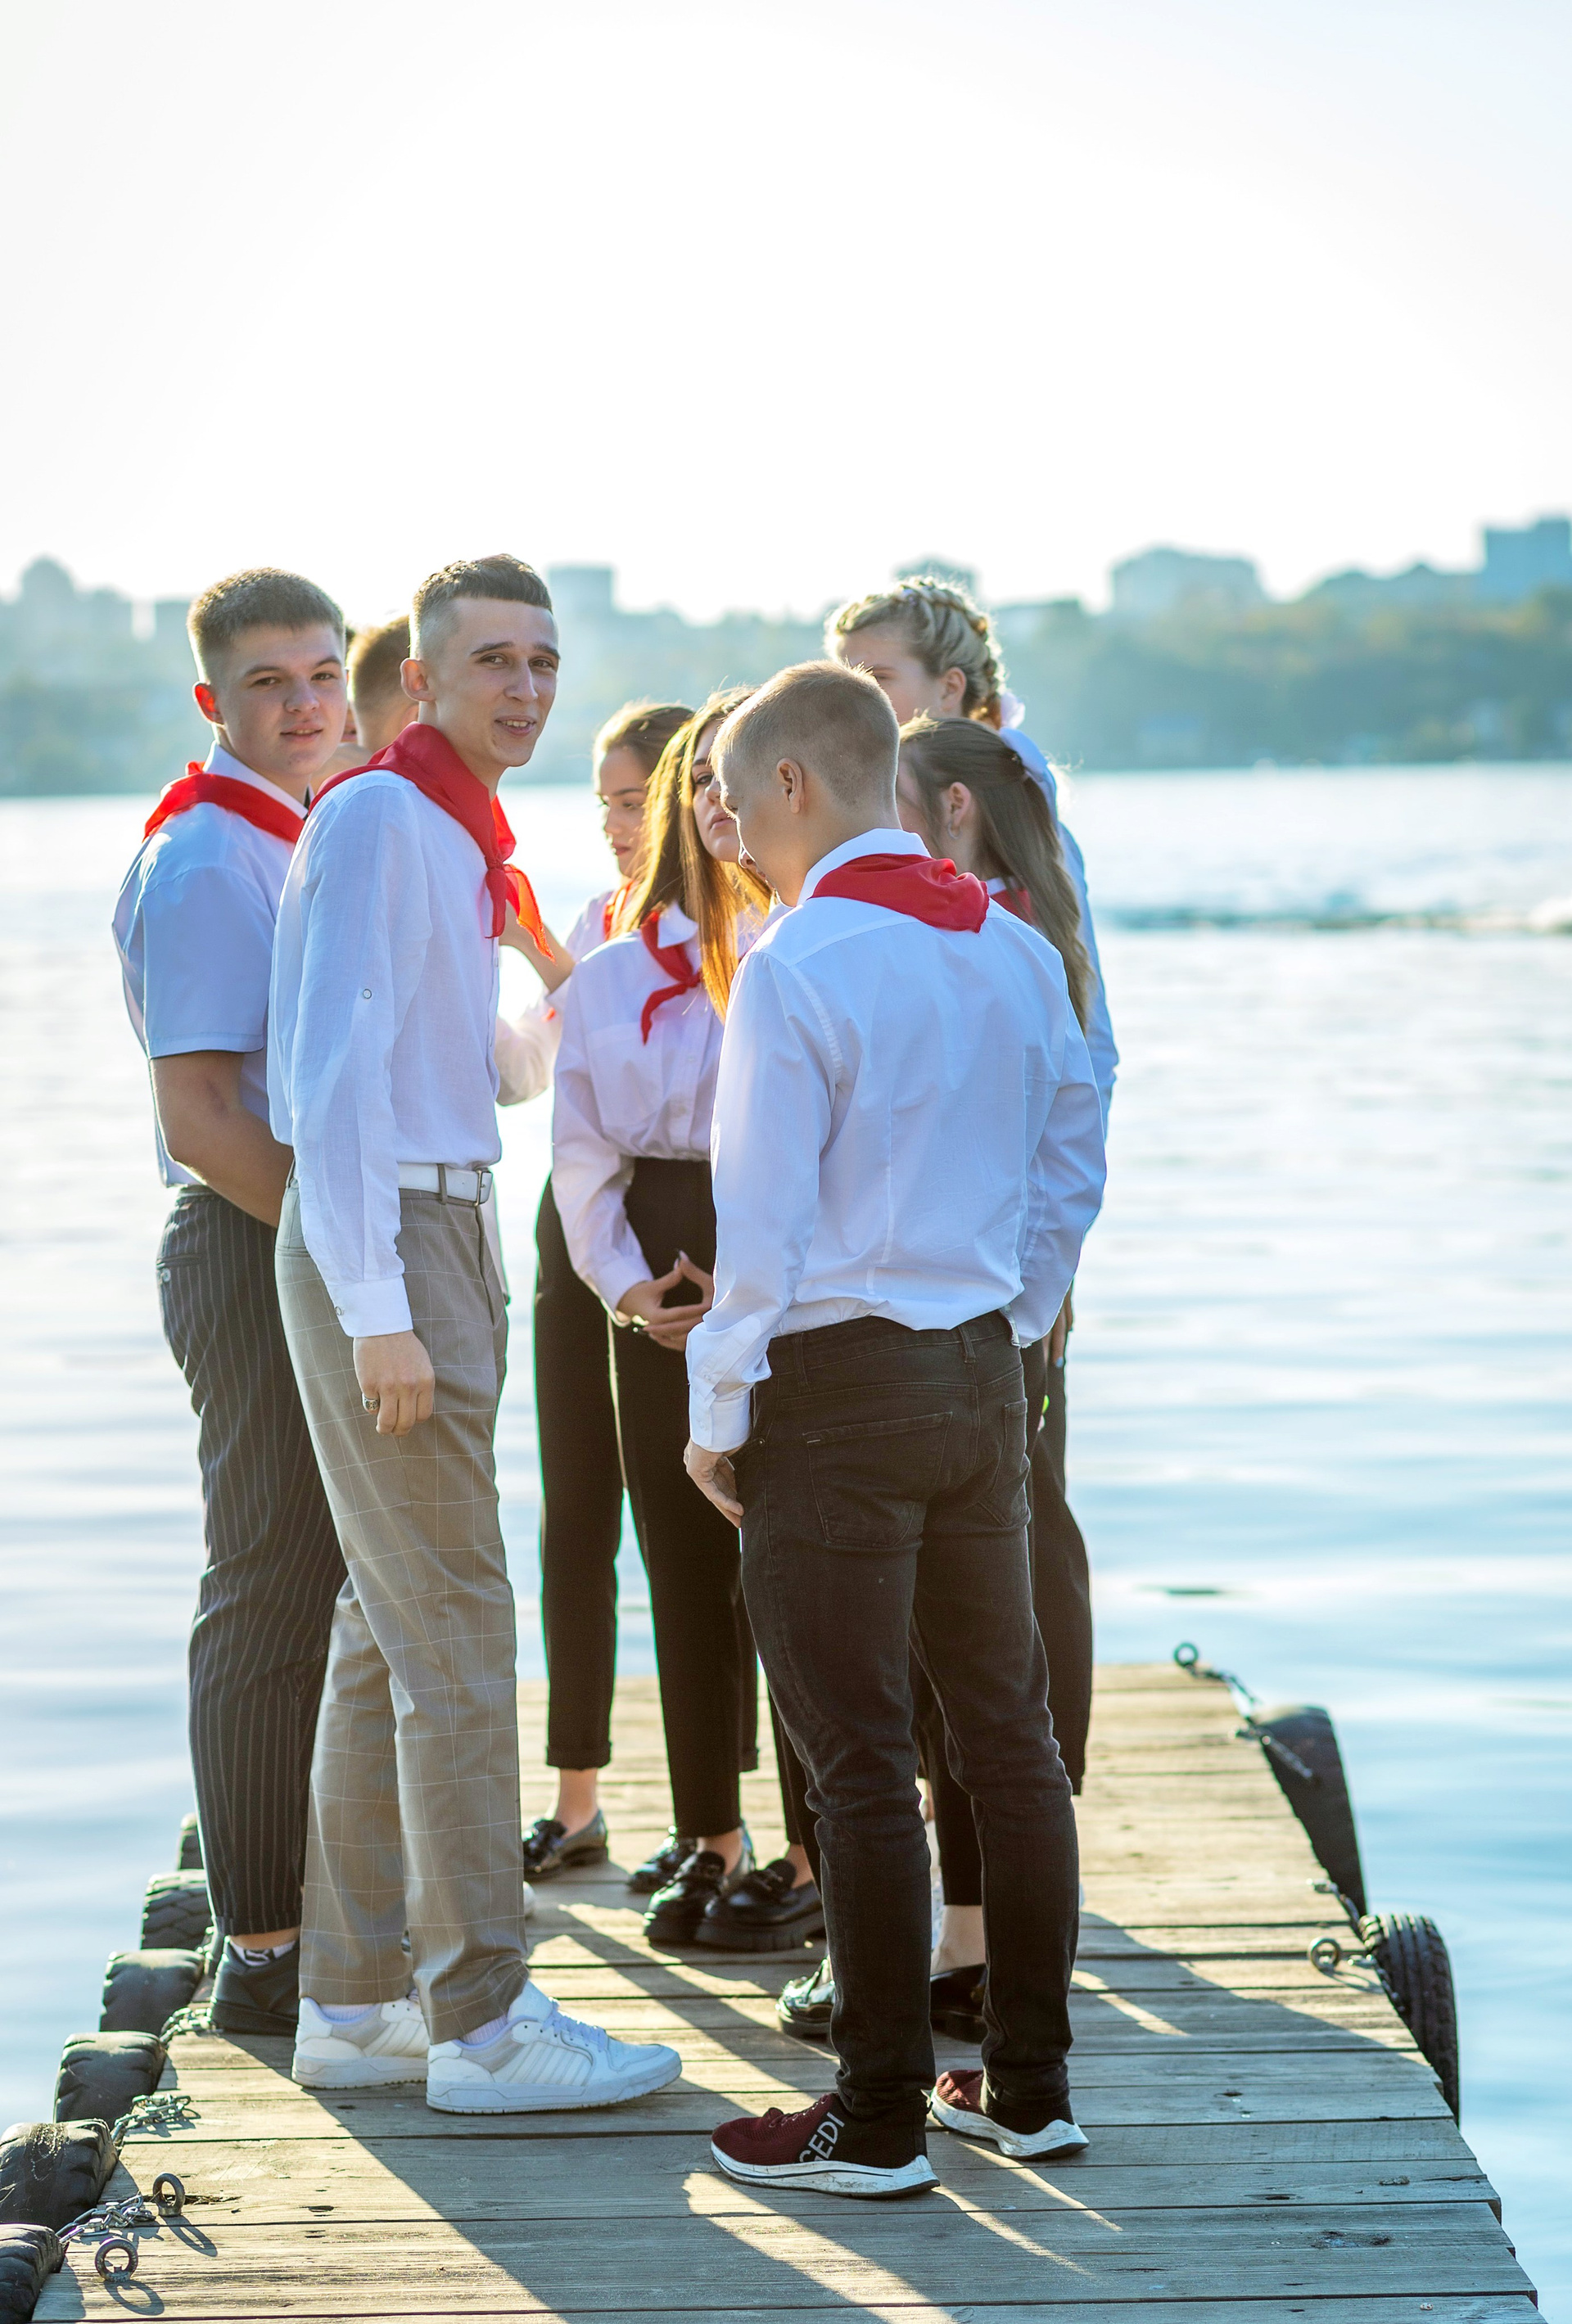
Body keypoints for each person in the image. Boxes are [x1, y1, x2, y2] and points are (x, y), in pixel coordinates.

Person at [685, 660, 1105, 2196]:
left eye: (739, 796)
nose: (733, 827)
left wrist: (716, 1406)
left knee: (860, 1761)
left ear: (796, 783)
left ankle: (873, 2121)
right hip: (982, 1379)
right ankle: (1029, 2091)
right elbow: (1075, 1155)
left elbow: (762, 1226)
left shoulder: (799, 964)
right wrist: (1019, 1312)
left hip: (838, 1396)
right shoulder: (1011, 946)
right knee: (1010, 1744)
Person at [268, 552, 680, 2113]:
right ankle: (486, 2026)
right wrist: (379, 1309)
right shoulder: (385, 815)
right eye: (495, 659)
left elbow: (477, 1071)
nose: (526, 686)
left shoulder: (454, 834)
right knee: (456, 1627)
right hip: (391, 1239)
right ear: (423, 680)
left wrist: (566, 983)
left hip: (437, 1218)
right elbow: (331, 1083)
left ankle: (355, 2002)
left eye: (544, 660)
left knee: (386, 1629)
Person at [110, 567, 351, 2037]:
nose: (305, 704)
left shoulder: (291, 831)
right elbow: (203, 1116)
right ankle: (264, 1952)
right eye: (269, 683)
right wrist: (349, 1260)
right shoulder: (210, 856)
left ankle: (313, 1910)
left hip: (296, 1243)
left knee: (318, 1580)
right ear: (214, 699)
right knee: (267, 1581)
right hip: (256, 1244)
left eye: (322, 674)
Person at [552, 694, 819, 1953]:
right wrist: (628, 1288)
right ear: (677, 803)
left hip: (784, 1251)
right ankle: (715, 1833)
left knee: (792, 1558)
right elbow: (580, 1158)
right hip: (655, 1254)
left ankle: (818, 1849)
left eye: (734, 778)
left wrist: (757, 1277)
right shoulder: (610, 973)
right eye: (696, 782)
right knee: (677, 1556)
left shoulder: (804, 947)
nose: (718, 803)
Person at [513, 702, 696, 1886]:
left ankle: (713, 1821)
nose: (618, 825)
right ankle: (576, 1796)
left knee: (689, 1527)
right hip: (574, 1236)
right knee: (575, 1510)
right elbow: (525, 1072)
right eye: (605, 805)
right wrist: (531, 962)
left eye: (636, 801)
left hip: (670, 1231)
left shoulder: (741, 928)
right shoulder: (590, 923)